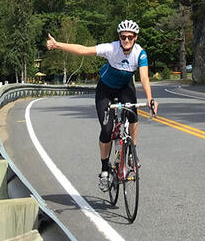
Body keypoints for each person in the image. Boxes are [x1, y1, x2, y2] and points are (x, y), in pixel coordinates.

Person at [46, 19, 158, 192]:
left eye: (130, 37)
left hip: (124, 88)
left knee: (133, 113)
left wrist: (150, 99)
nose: (126, 40)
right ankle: (105, 170)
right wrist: (57, 44)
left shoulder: (140, 54)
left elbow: (144, 77)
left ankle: (131, 154)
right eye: (123, 37)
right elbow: (83, 50)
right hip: (105, 89)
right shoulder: (111, 48)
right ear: (119, 37)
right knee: (107, 129)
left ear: (135, 37)